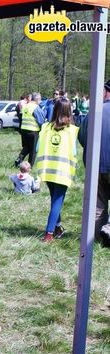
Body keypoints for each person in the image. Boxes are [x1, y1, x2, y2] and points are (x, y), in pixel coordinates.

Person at [34, 97, 78, 242]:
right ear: (69, 111)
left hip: (47, 170)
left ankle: (58, 227)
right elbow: (75, 152)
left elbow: (37, 148)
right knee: (57, 202)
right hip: (63, 172)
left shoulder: (46, 127)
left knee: (54, 200)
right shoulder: (72, 130)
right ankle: (49, 234)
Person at [79, 80, 110, 246]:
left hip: (95, 165)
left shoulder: (94, 112)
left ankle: (97, 238)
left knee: (98, 203)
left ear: (106, 92)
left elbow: (83, 137)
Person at [15, 92, 46, 167]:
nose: (40, 101)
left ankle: (19, 159)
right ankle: (29, 166)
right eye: (40, 99)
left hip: (24, 130)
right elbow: (41, 121)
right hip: (33, 131)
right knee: (33, 150)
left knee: (26, 147)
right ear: (37, 99)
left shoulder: (25, 106)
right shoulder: (36, 108)